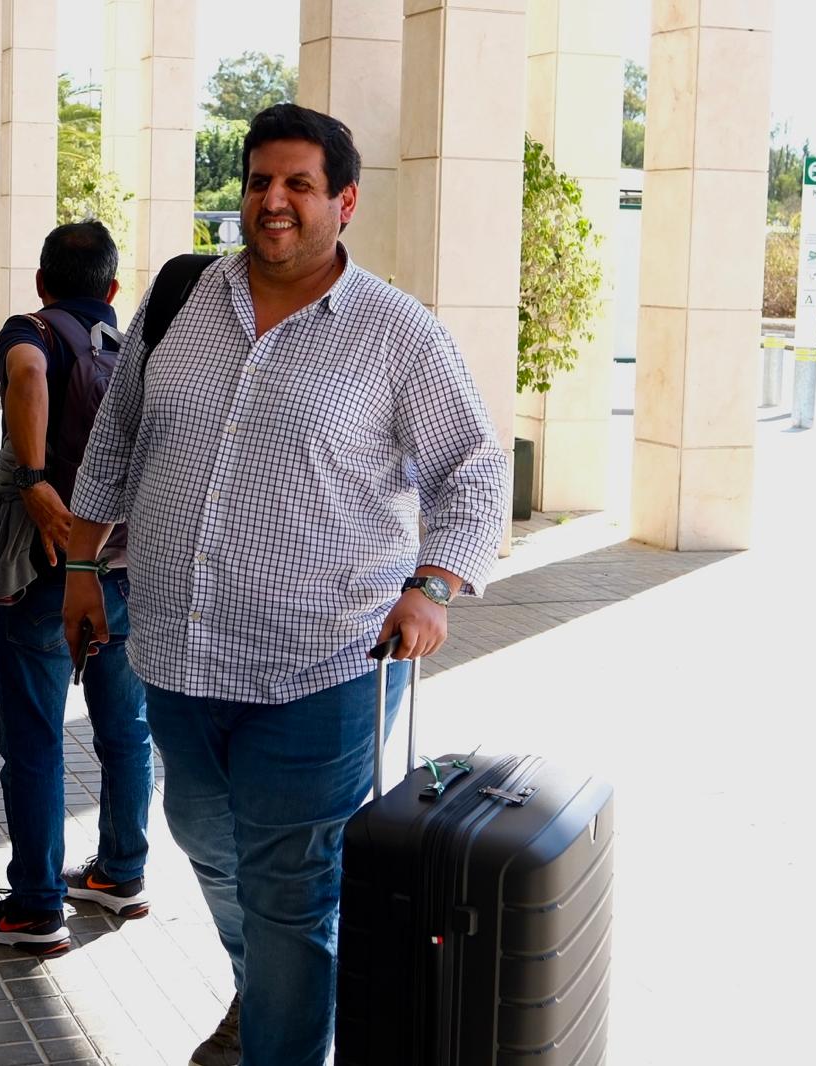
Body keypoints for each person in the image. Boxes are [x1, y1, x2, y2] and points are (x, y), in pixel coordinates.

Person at [61, 104, 510, 1066]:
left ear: (343, 202)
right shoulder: (180, 302)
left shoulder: (399, 335)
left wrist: (431, 584)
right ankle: (269, 992)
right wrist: (81, 564)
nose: (275, 201)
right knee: (206, 839)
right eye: (261, 181)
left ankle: (284, 1035)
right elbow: (117, 440)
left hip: (327, 665)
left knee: (294, 886)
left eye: (299, 184)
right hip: (178, 653)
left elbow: (474, 468)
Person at [0, 220, 154, 957]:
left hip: (43, 572)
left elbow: (27, 372)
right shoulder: (135, 347)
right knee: (125, 732)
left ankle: (37, 906)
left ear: (42, 283)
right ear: (111, 289)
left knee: (35, 742)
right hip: (124, 569)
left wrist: (37, 480)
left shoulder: (31, 329)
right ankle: (119, 872)